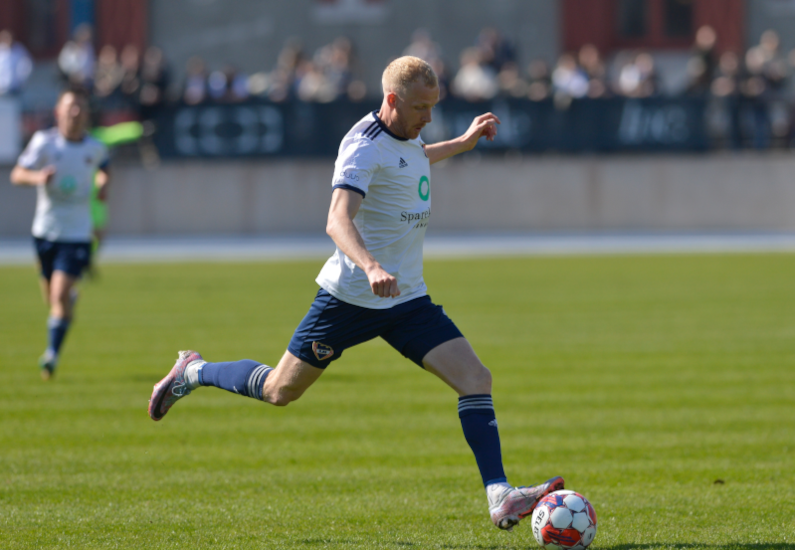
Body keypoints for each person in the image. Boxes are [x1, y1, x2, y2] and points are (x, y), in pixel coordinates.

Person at [148, 56, 563, 531]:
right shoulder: (361, 146)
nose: (428, 117)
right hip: (350, 299)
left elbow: (412, 159)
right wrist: (369, 267)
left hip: (406, 299)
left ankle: (500, 494)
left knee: (476, 378)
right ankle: (194, 371)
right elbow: (336, 219)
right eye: (420, 108)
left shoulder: (406, 134)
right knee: (279, 390)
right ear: (392, 100)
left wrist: (462, 143)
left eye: (433, 106)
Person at [10, 89, 110, 379]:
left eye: (80, 108)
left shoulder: (95, 147)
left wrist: (102, 184)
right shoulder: (44, 142)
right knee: (53, 301)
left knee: (59, 294)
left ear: (86, 114)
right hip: (44, 231)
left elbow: (104, 169)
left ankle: (51, 355)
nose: (75, 113)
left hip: (77, 233)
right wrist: (38, 177)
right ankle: (67, 303)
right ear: (58, 112)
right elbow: (17, 174)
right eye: (70, 108)